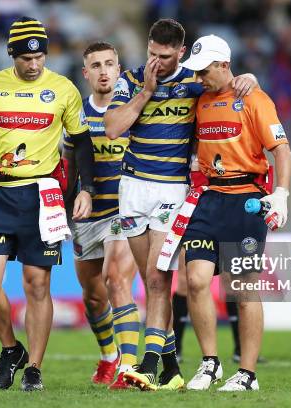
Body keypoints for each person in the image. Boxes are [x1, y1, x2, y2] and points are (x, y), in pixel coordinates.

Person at [104, 19, 259, 391]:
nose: (156, 61)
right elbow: (112, 128)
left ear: (181, 53)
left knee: (160, 279)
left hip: (172, 189)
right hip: (132, 188)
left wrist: (249, 78)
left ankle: (148, 362)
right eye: (151, 54)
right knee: (149, 281)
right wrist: (146, 91)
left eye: (165, 56)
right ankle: (171, 367)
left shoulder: (194, 81)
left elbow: (227, 81)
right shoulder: (132, 79)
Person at [0, 16, 95, 391]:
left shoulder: (63, 89)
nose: (35, 65)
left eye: (40, 57)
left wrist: (85, 189)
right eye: (27, 59)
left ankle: (33, 368)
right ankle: (10, 348)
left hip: (42, 197)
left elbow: (83, 143)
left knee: (36, 285)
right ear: (12, 55)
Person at [180, 35, 291, 391]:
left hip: (247, 200)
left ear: (224, 65)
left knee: (241, 289)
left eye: (205, 70)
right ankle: (210, 363)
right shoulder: (199, 99)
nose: (199, 77)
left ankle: (247, 374)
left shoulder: (255, 99)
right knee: (195, 280)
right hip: (210, 198)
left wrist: (282, 195)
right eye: (195, 71)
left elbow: (283, 150)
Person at [62, 42, 140, 389]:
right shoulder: (77, 115)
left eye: (110, 64)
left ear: (119, 68)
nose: (104, 71)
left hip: (126, 212)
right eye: (96, 65)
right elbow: (68, 163)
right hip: (88, 214)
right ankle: (109, 356)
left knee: (116, 279)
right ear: (86, 73)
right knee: (93, 296)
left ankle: (128, 367)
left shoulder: (134, 108)